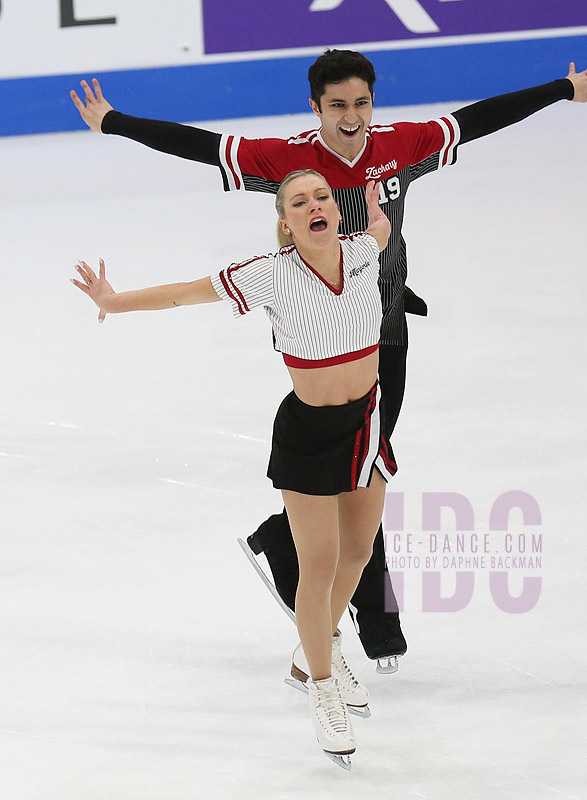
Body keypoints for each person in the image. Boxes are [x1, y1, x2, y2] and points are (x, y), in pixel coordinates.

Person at [70, 50, 587, 670]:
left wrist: (562, 88)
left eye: (361, 103)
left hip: (388, 331)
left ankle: (298, 558)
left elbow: (474, 121)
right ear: (315, 107)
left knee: (364, 476)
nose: (350, 118)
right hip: (321, 339)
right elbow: (202, 145)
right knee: (356, 474)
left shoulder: (401, 144)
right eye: (336, 106)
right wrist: (114, 121)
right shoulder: (290, 161)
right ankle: (370, 628)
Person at [71, 169, 392, 769]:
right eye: (299, 202)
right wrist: (113, 302)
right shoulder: (270, 274)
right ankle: (322, 688)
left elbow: (377, 228)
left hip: (367, 423)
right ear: (285, 224)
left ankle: (314, 648)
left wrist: (376, 211)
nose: (314, 205)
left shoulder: (363, 251)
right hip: (308, 437)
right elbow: (186, 293)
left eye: (322, 196)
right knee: (318, 566)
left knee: (357, 554)